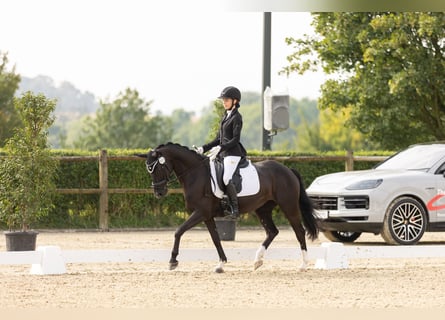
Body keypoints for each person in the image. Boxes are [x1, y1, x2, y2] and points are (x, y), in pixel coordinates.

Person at [195, 86, 246, 219]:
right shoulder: (225, 115)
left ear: (235, 101)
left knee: (226, 178)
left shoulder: (237, 117)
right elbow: (218, 138)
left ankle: (235, 209)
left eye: (226, 99)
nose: (224, 102)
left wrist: (221, 148)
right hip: (223, 153)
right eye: (223, 100)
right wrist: (203, 148)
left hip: (233, 154)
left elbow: (235, 139)